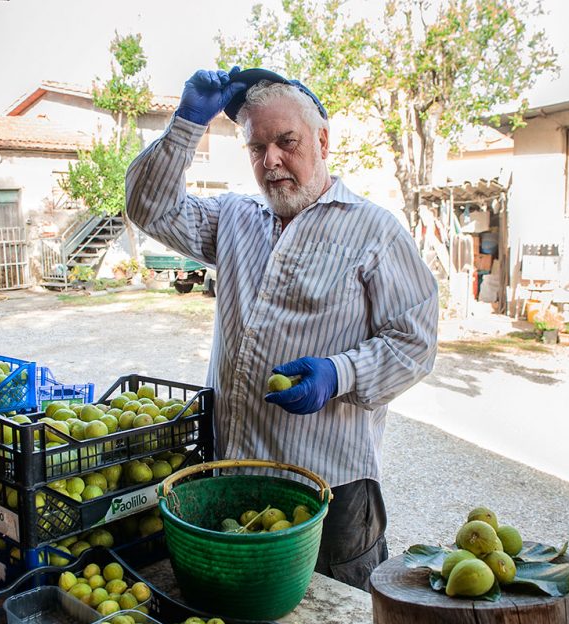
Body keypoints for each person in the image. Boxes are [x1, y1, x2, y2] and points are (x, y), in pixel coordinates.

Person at [126, 67, 438, 590]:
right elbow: (148, 207)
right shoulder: (234, 218)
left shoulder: (375, 231)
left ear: (321, 140)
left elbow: (414, 344)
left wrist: (337, 374)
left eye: (286, 142)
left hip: (330, 494)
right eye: (256, 147)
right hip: (235, 481)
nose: (270, 160)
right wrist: (185, 125)